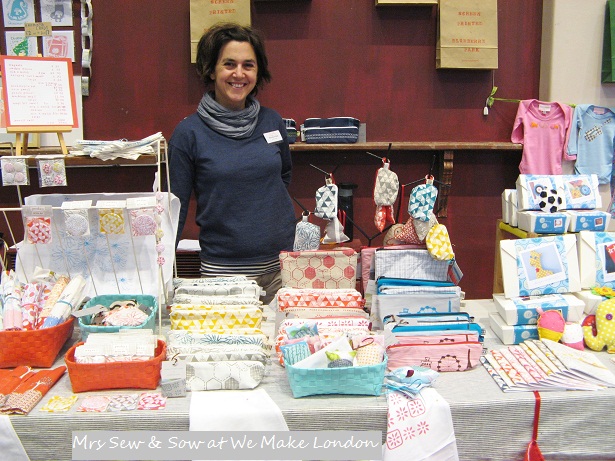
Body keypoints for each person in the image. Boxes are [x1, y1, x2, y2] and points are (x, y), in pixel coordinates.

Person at [168, 22, 296, 304]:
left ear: (258, 72)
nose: (239, 74)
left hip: (282, 267)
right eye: (229, 64)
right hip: (223, 275)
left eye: (248, 65)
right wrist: (161, 269)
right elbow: (174, 208)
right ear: (211, 70)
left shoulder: (273, 122)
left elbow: (282, 177)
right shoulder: (188, 134)